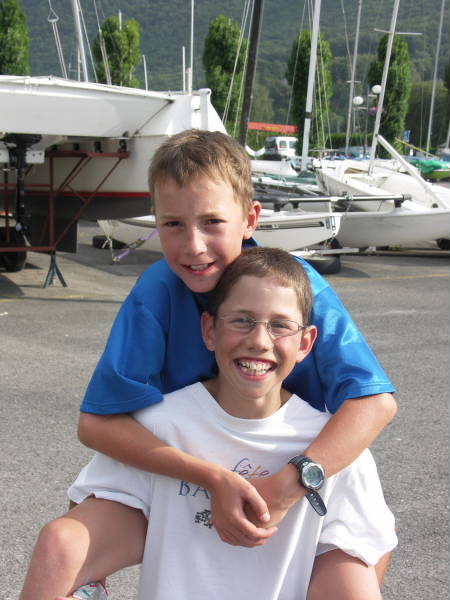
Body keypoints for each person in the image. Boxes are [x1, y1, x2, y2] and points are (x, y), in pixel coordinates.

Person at [19, 130, 397, 600]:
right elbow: (97, 423)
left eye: (212, 222)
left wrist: (284, 487)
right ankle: (90, 584)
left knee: (363, 553)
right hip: (190, 453)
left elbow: (374, 403)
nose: (193, 246)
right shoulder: (158, 289)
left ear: (249, 219)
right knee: (63, 541)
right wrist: (213, 478)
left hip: (289, 458)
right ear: (209, 329)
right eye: (173, 224)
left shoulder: (296, 289)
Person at [67, 247, 398, 600]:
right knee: (58, 542)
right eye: (242, 320)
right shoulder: (158, 428)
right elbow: (86, 504)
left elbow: (371, 549)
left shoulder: (337, 447)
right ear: (209, 330)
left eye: (280, 325)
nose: (259, 341)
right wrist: (85, 586)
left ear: (306, 343)